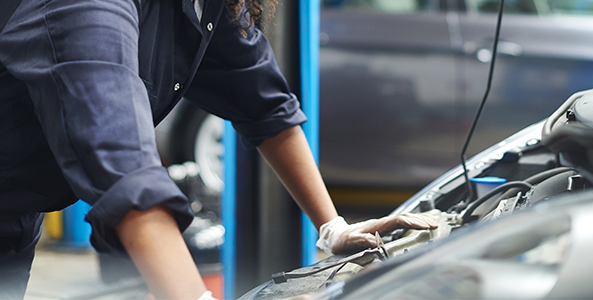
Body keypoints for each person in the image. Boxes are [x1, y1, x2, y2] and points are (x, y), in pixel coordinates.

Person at [0, 0, 437, 298]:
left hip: (16, 216)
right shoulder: (85, 8)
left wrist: (333, 228)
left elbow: (265, 104)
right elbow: (125, 172)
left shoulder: (204, 7)